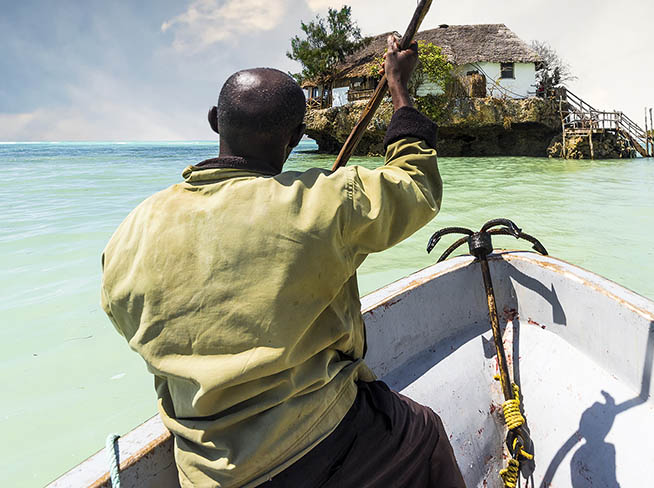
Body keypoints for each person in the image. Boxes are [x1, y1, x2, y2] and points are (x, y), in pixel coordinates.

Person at [101, 35, 467, 488]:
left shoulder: (129, 233)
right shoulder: (328, 201)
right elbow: (416, 184)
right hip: (320, 441)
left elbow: (125, 320)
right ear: (295, 138)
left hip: (205, 471)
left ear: (216, 122)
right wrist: (398, 89)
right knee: (424, 430)